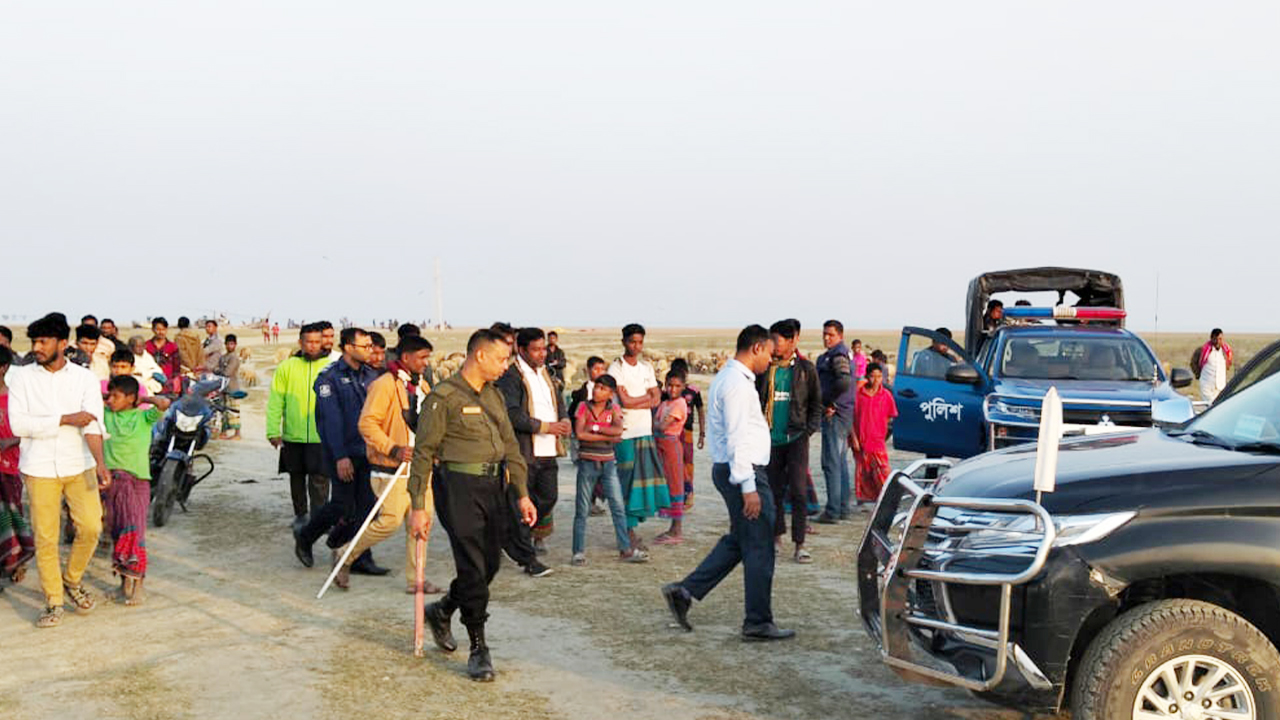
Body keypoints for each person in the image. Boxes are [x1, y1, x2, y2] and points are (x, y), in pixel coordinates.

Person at [412, 329, 535, 682]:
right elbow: (423, 454)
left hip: (495, 487)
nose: (505, 366)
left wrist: (522, 493)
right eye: (500, 359)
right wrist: (419, 505)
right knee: (471, 564)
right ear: (479, 356)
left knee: (490, 565)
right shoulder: (442, 397)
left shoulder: (495, 396)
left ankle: (444, 608)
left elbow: (511, 447)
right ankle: (478, 647)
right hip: (458, 487)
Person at [661, 325, 794, 641]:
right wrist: (748, 487)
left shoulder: (733, 379)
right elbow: (736, 439)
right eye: (770, 355)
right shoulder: (736, 384)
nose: (770, 363)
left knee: (741, 539)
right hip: (742, 472)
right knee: (760, 545)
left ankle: (685, 592)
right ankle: (758, 622)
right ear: (757, 348)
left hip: (737, 470)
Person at [8, 313, 110, 627]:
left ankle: (72, 579)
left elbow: (92, 424)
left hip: (80, 464)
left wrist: (101, 464)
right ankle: (54, 601)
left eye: (43, 341)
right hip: (38, 468)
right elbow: (20, 425)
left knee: (92, 527)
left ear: (62, 344)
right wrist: (65, 419)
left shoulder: (84, 379)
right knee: (46, 537)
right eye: (34, 341)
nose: (36, 347)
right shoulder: (22, 378)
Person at [346, 334, 443, 594]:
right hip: (391, 467)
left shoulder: (423, 386)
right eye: (422, 357)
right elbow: (367, 423)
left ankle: (416, 579)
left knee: (421, 524)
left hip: (420, 469)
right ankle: (346, 553)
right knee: (389, 521)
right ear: (406, 357)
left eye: (428, 357)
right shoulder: (385, 385)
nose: (426, 363)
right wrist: (393, 448)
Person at [295, 328, 385, 582]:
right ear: (348, 347)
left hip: (367, 451)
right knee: (342, 505)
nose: (370, 350)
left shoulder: (371, 375)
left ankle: (359, 557)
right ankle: (306, 535)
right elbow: (330, 421)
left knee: (367, 506)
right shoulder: (329, 378)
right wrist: (340, 456)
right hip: (341, 451)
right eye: (365, 346)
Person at [494, 327, 564, 576]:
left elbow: (558, 402)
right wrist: (546, 426)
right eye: (536, 349)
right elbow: (512, 414)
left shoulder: (548, 373)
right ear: (521, 350)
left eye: (543, 348)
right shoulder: (511, 377)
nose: (542, 353)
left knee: (548, 497)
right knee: (521, 505)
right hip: (524, 452)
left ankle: (509, 535)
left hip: (548, 450)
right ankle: (528, 559)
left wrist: (563, 422)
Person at [758, 319, 821, 564]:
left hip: (796, 438)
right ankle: (776, 538)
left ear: (793, 340)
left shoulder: (806, 369)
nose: (773, 345)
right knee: (772, 492)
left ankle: (800, 544)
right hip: (770, 439)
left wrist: (808, 431)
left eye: (777, 340)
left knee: (798, 492)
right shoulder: (765, 369)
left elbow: (816, 403)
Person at [102, 375, 169, 605]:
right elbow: (94, 401)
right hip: (112, 483)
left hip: (136, 483)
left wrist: (141, 398)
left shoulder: (144, 417)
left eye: (116, 396)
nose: (110, 400)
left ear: (131, 398)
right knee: (117, 534)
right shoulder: (106, 415)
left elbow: (163, 404)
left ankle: (138, 587)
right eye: (108, 395)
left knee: (135, 534)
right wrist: (111, 398)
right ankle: (123, 585)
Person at [571, 374, 647, 565]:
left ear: (610, 393)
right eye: (597, 387)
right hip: (588, 462)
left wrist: (594, 428)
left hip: (608, 463)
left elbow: (618, 431)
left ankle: (625, 550)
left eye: (603, 388)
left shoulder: (614, 408)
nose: (597, 391)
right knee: (582, 509)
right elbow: (580, 433)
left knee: (618, 507)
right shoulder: (583, 407)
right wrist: (607, 434)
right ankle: (578, 552)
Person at [608, 324, 670, 549]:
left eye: (640, 342)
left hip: (644, 431)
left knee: (641, 484)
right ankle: (626, 534)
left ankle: (630, 531)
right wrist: (645, 398)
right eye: (633, 341)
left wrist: (638, 400)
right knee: (626, 484)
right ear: (624, 341)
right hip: (625, 433)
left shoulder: (646, 367)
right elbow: (626, 402)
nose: (637, 346)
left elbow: (656, 399)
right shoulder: (616, 368)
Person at [267, 323, 331, 522]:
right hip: (292, 435)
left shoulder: (331, 368)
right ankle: (301, 516)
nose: (312, 346)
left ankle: (319, 518)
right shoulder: (286, 367)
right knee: (296, 477)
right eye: (308, 342)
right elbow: (276, 401)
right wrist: (272, 431)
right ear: (300, 343)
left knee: (320, 480)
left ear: (322, 343)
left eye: (316, 342)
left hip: (322, 436)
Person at [0, 346, 36, 586]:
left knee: (12, 515)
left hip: (9, 467)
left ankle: (15, 559)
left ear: (3, 368)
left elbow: (31, 431)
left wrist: (9, 441)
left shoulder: (15, 400)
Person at [815, 320, 854, 524]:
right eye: (824, 334)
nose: (826, 338)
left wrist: (828, 400)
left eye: (830, 334)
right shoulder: (839, 354)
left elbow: (844, 381)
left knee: (831, 463)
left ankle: (832, 511)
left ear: (840, 335)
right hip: (843, 413)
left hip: (835, 414)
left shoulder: (837, 356)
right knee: (839, 462)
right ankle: (842, 507)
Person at [851, 363, 898, 507]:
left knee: (882, 470)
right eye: (873, 376)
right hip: (861, 440)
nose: (876, 380)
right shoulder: (859, 395)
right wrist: (854, 438)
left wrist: (881, 431)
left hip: (877, 441)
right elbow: (851, 418)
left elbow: (891, 415)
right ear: (867, 377)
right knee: (863, 471)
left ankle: (887, 498)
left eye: (879, 376)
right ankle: (865, 499)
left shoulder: (886, 396)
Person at [653, 371, 689, 544]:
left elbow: (661, 425)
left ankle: (677, 530)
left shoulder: (679, 404)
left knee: (675, 484)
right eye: (670, 385)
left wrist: (654, 424)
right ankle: (673, 528)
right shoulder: (666, 403)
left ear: (683, 387)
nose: (673, 389)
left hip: (671, 445)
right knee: (668, 483)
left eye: (677, 386)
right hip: (662, 446)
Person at [668, 358, 705, 512]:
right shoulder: (668, 391)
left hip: (687, 431)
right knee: (674, 463)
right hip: (671, 432)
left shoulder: (693, 391)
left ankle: (689, 493)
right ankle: (676, 494)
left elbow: (701, 411)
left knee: (687, 462)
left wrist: (702, 433)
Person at [213, 335, 242, 439]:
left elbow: (227, 372)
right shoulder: (223, 357)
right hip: (223, 387)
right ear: (225, 345)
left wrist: (217, 371)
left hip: (232, 387)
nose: (230, 346)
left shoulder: (234, 357)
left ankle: (237, 434)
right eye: (228, 344)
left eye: (232, 344)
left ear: (235, 345)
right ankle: (224, 432)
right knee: (224, 411)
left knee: (233, 410)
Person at [1194, 328, 1233, 404]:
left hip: (1220, 387)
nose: (1218, 342)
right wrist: (1198, 375)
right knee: (1211, 407)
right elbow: (1194, 364)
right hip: (1207, 386)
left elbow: (1228, 365)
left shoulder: (1226, 351)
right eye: (1216, 339)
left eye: (1220, 339)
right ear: (1211, 339)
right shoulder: (1203, 350)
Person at [146, 318, 182, 394]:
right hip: (150, 383)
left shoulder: (173, 347)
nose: (160, 332)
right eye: (158, 329)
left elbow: (176, 367)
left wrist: (175, 381)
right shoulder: (147, 346)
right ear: (153, 330)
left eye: (163, 329)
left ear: (166, 330)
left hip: (168, 383)